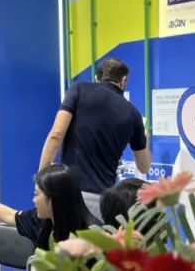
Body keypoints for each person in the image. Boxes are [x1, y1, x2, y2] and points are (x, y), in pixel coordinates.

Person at [38, 58, 151, 219]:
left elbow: (56, 135)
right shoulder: (133, 113)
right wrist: (145, 140)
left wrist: (42, 182)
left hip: (67, 193)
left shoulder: (78, 89)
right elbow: (144, 167)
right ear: (123, 80)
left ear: (97, 77)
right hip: (101, 200)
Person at [0, 164, 94, 249]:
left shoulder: (89, 238)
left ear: (53, 198)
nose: (33, 200)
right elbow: (9, 215)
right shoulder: (40, 221)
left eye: (36, 194)